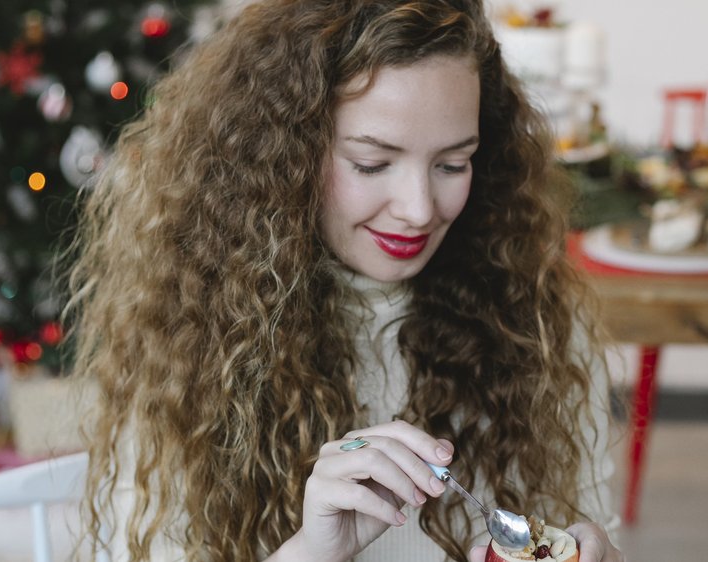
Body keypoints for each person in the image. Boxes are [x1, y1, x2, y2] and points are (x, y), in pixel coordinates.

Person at [64, 1, 624, 561]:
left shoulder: (537, 322)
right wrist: (313, 550)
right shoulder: (189, 336)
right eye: (372, 163)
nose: (418, 209)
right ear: (289, 153)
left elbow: (586, 525)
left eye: (453, 164)